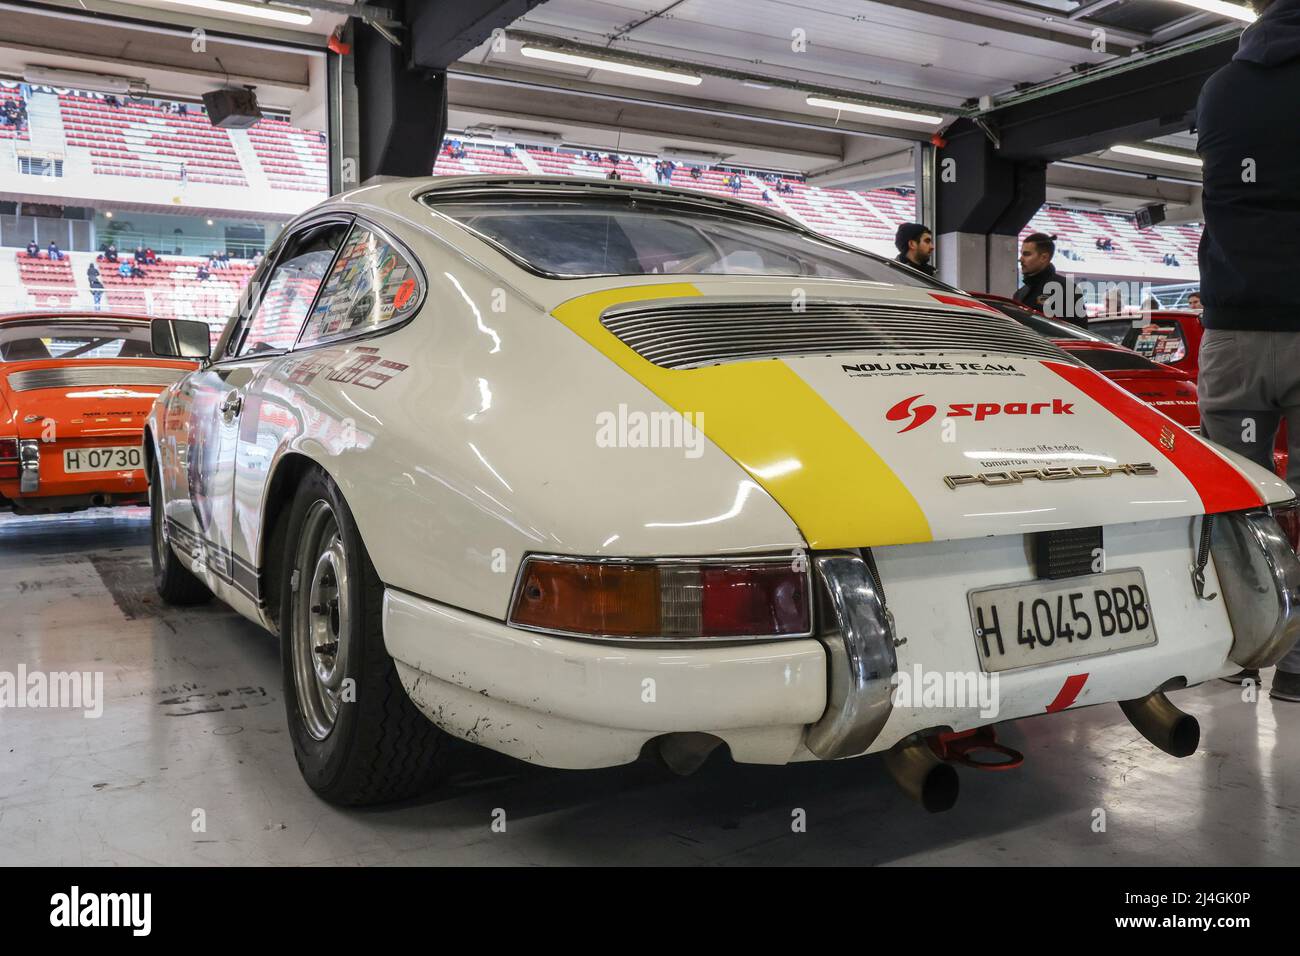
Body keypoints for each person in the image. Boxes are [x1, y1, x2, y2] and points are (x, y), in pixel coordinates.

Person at [1195, 0, 1300, 699]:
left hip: (1233, 327)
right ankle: (1299, 665)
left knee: (1237, 499)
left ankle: (1237, 647)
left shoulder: (1219, 86)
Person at [1014, 232, 1087, 327]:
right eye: (1022, 254)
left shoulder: (1066, 289)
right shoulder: (1020, 293)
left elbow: (1078, 332)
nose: (1021, 259)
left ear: (1044, 257)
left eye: (1027, 254)